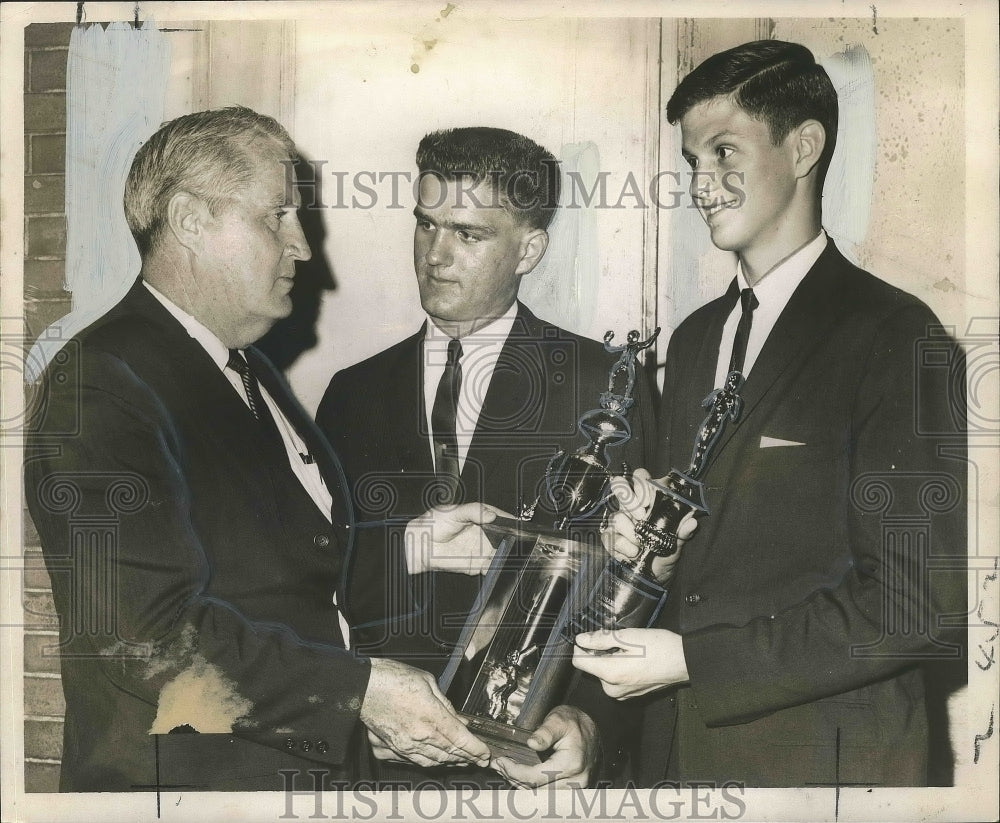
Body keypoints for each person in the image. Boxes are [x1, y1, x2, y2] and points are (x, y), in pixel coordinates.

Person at [23, 106, 499, 792]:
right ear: (189, 220)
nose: (301, 245)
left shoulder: (243, 365)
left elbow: (281, 566)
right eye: (276, 217)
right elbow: (144, 635)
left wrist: (413, 545)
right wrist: (359, 689)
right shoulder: (100, 379)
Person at [573, 40, 967, 787]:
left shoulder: (894, 334)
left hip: (826, 769)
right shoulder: (692, 340)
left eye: (725, 152)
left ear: (805, 147)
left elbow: (918, 602)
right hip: (678, 767)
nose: (704, 184)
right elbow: (703, 564)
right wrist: (651, 555)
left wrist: (692, 660)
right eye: (693, 162)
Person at [316, 127, 655, 787]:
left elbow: (636, 585)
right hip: (378, 767)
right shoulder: (349, 395)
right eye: (425, 225)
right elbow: (314, 577)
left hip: (529, 769)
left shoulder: (603, 383)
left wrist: (589, 721)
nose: (435, 255)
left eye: (468, 235)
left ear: (530, 249)